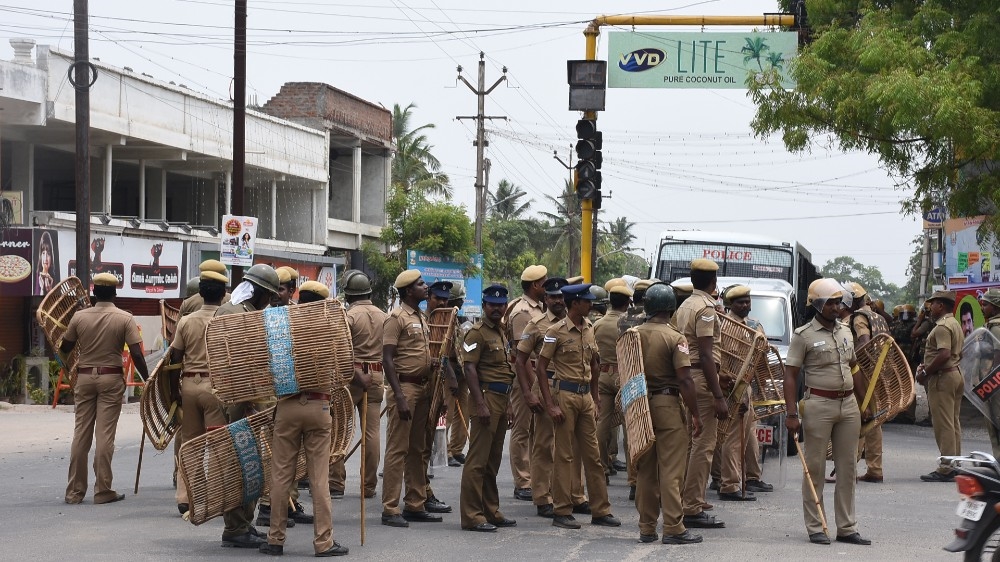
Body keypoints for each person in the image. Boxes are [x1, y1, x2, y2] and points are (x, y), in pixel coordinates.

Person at [168, 267, 264, 548]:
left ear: (199, 292)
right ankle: (223, 506)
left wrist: (175, 391)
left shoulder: (186, 321)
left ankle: (189, 500)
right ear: (223, 293)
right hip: (216, 389)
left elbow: (174, 358)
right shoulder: (228, 317)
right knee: (224, 451)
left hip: (189, 385)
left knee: (192, 447)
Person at [259, 280, 347, 557]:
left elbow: (265, 365)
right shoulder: (330, 328)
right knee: (319, 479)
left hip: (286, 406)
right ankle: (323, 542)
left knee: (281, 475)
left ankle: (275, 540)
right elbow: (345, 367)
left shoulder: (281, 328)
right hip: (319, 408)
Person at [783, 278, 871, 546]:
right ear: (817, 304)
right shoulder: (803, 335)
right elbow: (790, 376)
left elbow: (854, 367)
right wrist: (791, 414)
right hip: (818, 405)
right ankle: (816, 526)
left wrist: (865, 403)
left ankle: (846, 527)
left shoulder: (846, 331)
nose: (836, 307)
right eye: (830, 303)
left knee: (847, 469)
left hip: (848, 406)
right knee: (815, 467)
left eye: (838, 301)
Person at [535, 283, 621, 530]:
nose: (591, 304)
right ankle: (561, 510)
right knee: (564, 455)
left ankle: (600, 511)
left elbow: (594, 365)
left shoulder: (590, 328)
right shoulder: (556, 331)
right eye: (586, 301)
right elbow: (541, 368)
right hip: (565, 395)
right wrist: (550, 404)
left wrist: (595, 397)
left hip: (585, 398)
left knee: (593, 457)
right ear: (575, 303)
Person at [60, 272, 149, 506]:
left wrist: (67, 363)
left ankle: (74, 493)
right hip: (110, 379)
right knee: (104, 436)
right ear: (115, 293)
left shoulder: (79, 317)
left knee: (81, 434)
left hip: (85, 378)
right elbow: (137, 354)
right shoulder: (124, 318)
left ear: (93, 293)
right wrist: (148, 379)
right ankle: (102, 490)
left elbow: (65, 347)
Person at [633, 283, 704, 544]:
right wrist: (695, 414)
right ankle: (673, 527)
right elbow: (685, 380)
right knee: (672, 470)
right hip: (667, 405)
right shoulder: (676, 338)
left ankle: (647, 526)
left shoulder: (632, 334)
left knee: (646, 470)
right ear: (671, 308)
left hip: (639, 407)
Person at [214, 263, 280, 545]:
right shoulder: (244, 317)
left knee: (248, 462)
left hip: (232, 397)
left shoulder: (230, 308)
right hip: (240, 401)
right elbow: (245, 366)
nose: (270, 302)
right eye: (270, 296)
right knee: (242, 464)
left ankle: (242, 523)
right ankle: (236, 528)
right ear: (261, 293)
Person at [516, 277, 587, 518]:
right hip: (546, 386)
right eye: (552, 297)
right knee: (544, 444)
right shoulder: (535, 325)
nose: (557, 301)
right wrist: (527, 393)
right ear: (545, 299)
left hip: (572, 389)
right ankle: (543, 497)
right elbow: (520, 360)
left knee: (573, 447)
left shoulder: (578, 323)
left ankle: (574, 495)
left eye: (560, 297)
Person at [381, 269, 440, 528]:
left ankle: (415, 503)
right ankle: (390, 507)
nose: (425, 287)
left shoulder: (422, 317)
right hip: (405, 390)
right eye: (420, 284)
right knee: (397, 449)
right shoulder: (396, 318)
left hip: (424, 389)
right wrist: (399, 396)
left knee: (418, 449)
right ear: (408, 291)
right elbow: (387, 359)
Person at [459, 284, 519, 532]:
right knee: (477, 461)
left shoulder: (500, 332)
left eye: (501, 304)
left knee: (492, 461)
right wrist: (481, 404)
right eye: (493, 305)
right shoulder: (476, 333)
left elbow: (506, 370)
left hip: (502, 399)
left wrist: (510, 405)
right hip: (485, 398)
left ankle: (490, 510)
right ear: (484, 305)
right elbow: (469, 368)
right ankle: (472, 515)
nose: (497, 308)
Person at [258, 265, 313, 527]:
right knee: (273, 454)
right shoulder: (261, 317)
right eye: (271, 288)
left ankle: (290, 503)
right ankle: (268, 507)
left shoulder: (298, 316)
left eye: (279, 288)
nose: (274, 293)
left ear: (291, 290)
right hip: (269, 395)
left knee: (295, 454)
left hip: (293, 395)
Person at [677, 259, 728, 529]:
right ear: (713, 282)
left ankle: (685, 500)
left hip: (688, 378)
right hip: (701, 380)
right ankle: (692, 507)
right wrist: (718, 395)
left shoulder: (685, 304)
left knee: (690, 443)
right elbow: (707, 355)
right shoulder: (706, 307)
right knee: (703, 446)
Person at [329, 271, 386, 500]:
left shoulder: (348, 317)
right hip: (376, 376)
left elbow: (339, 353)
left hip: (350, 377)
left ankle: (336, 483)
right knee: (371, 433)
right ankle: (368, 486)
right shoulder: (384, 316)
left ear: (348, 294)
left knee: (339, 431)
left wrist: (353, 374)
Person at [712, 284, 772, 500]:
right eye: (740, 302)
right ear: (731, 305)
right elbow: (727, 363)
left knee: (746, 436)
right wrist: (735, 395)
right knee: (732, 438)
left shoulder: (752, 326)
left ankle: (745, 478)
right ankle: (729, 485)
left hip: (747, 386)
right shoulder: (728, 328)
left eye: (747, 301)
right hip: (733, 386)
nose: (745, 305)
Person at [502, 264, 548, 502]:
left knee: (534, 429)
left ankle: (532, 477)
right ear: (535, 285)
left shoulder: (538, 308)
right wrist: (532, 389)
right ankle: (523, 480)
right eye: (544, 282)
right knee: (522, 429)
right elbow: (523, 355)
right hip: (524, 377)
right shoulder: (522, 312)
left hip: (535, 375)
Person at [916, 290, 965, 482]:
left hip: (943, 378)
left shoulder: (943, 326)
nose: (930, 307)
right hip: (954, 374)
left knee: (943, 423)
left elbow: (944, 354)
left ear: (941, 306)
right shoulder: (954, 323)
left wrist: (926, 373)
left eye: (933, 303)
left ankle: (946, 468)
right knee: (953, 422)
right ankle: (955, 463)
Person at [847, 282, 890, 484]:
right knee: (874, 420)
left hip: (865, 373)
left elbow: (864, 341)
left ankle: (848, 468)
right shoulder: (879, 317)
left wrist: (852, 360)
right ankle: (875, 468)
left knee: (857, 417)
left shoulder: (859, 317)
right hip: (880, 372)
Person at [421, 280, 457, 515]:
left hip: (436, 389)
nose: (442, 304)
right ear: (428, 299)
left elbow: (447, 359)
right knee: (414, 447)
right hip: (416, 389)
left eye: (445, 300)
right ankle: (418, 493)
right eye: (437, 299)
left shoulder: (448, 324)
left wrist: (446, 389)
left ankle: (423, 491)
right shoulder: (420, 321)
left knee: (426, 445)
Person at [594, 282, 631, 480]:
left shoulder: (597, 324)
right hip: (624, 376)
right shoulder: (629, 324)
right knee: (630, 425)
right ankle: (634, 476)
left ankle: (602, 468)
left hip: (601, 375)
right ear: (627, 303)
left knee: (602, 423)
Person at [447, 283, 472, 467]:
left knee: (464, 410)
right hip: (449, 371)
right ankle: (444, 451)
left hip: (462, 370)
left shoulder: (459, 320)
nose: (462, 302)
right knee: (447, 413)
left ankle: (456, 449)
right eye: (460, 299)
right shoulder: (444, 318)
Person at [36, 230, 57, 295]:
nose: (45, 258)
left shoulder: (54, 279)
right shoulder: (36, 277)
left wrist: (50, 291)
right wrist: (42, 289)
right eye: (43, 253)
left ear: (52, 257)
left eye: (48, 253)